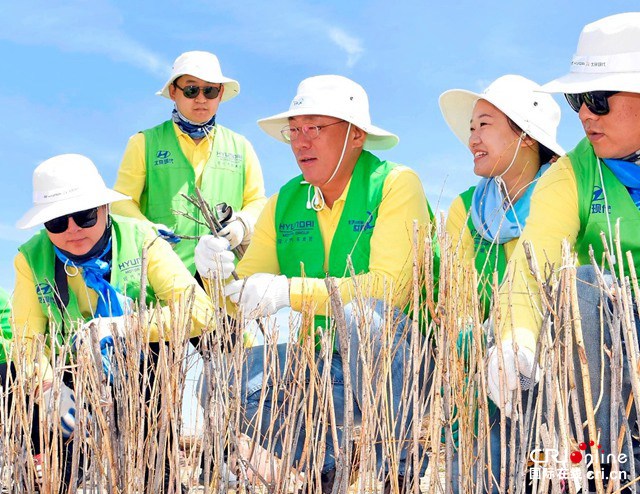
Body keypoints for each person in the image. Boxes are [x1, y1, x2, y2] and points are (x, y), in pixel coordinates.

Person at [195, 75, 434, 492]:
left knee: (363, 316)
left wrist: (288, 291)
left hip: (404, 367)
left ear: (356, 135)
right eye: (295, 130)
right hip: (326, 366)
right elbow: (243, 294)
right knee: (216, 380)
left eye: (315, 129)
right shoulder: (285, 200)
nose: (300, 143)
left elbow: (387, 291)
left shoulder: (396, 184)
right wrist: (216, 274)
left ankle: (400, 466)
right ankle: (327, 464)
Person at [487, 12, 640, 487]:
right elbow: (533, 263)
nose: (584, 115)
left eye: (597, 99)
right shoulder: (571, 173)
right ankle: (613, 472)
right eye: (577, 99)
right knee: (584, 286)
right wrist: (515, 337)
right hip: (619, 353)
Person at [12, 153, 214, 492]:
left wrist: (125, 327)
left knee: (155, 470)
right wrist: (46, 389)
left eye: (85, 215)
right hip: (69, 370)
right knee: (63, 466)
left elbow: (200, 313)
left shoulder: (143, 238)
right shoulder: (29, 258)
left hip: (141, 365)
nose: (72, 229)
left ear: (105, 209)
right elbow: (26, 338)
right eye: (57, 222)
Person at [112, 50, 267, 276]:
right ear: (174, 91)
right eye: (192, 89)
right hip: (164, 273)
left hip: (225, 274)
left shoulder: (241, 146)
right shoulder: (143, 142)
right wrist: (148, 231)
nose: (201, 99)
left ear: (221, 93)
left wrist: (242, 224)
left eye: (210, 90)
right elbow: (121, 203)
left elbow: (257, 201)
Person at [441, 74, 564, 318]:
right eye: (471, 128)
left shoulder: (566, 195)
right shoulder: (465, 208)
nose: (472, 140)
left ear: (526, 136)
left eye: (484, 125)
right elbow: (457, 309)